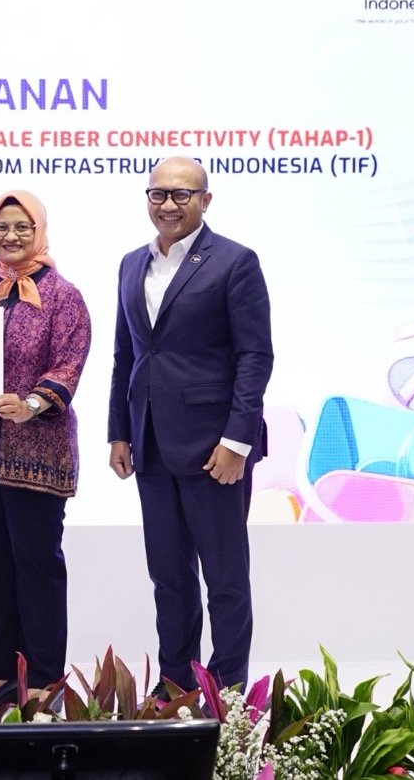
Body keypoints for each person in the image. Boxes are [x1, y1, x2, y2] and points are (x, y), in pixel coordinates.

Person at [107, 156, 273, 693]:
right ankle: (176, 685)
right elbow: (127, 355)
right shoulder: (132, 263)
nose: (168, 204)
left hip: (214, 448)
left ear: (205, 200)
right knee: (169, 577)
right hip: (150, 443)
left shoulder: (235, 261)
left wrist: (237, 440)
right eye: (158, 193)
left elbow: (255, 357)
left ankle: (226, 693)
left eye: (181, 194)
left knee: (225, 579)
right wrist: (119, 431)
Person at [0, 190, 92, 705]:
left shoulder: (63, 296)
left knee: (37, 566)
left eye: (21, 227)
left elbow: (69, 364)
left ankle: (43, 677)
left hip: (37, 450)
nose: (10, 236)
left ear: (39, 230)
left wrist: (31, 403)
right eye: (1, 227)